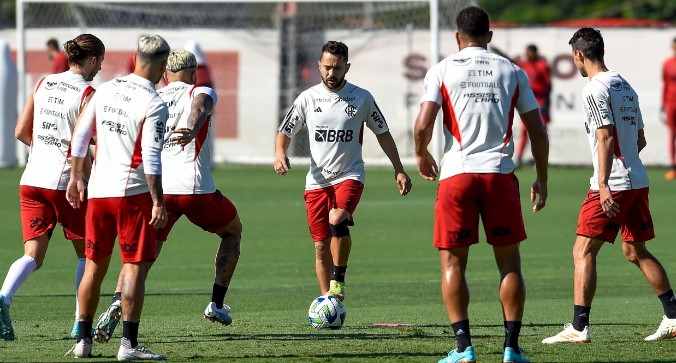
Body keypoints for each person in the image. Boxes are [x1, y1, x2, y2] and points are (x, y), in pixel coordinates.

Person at [413, 6, 549, 363]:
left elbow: (422, 125)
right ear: (490, 37)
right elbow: (536, 129)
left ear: (457, 38)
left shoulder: (442, 69)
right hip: (500, 175)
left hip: (457, 174)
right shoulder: (512, 70)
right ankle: (511, 349)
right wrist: (542, 177)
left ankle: (463, 349)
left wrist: (421, 153)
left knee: (453, 264)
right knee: (510, 265)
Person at [92, 49, 242, 343]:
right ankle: (216, 303)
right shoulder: (200, 89)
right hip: (194, 189)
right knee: (233, 232)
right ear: (194, 73)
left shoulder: (154, 97)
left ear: (164, 75)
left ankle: (115, 302)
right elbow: (200, 106)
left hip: (157, 191)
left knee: (141, 258)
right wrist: (191, 128)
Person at [542, 27, 676, 344]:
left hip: (614, 183)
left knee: (583, 250)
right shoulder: (625, 85)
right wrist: (626, 167)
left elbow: (605, 136)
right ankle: (673, 315)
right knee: (634, 249)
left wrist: (603, 183)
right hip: (637, 179)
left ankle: (579, 327)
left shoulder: (594, 89)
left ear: (578, 55)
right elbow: (640, 139)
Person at [274, 40, 411, 302]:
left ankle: (338, 279)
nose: (331, 73)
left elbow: (382, 133)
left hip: (350, 175)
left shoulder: (361, 98)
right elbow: (285, 132)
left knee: (337, 218)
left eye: (337, 68)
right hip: (317, 181)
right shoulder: (307, 98)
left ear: (347, 67)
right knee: (319, 246)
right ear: (319, 65)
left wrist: (399, 169)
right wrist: (280, 153)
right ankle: (329, 302)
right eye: (327, 67)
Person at [65, 34, 170, 361]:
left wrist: (75, 176)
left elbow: (81, 135)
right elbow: (151, 158)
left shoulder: (106, 88)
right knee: (135, 268)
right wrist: (158, 201)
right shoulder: (154, 102)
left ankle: (83, 341)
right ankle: (128, 345)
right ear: (163, 65)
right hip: (132, 195)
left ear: (135, 57)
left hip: (98, 194)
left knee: (94, 267)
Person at [0, 34, 104, 341]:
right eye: (100, 62)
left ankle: (3, 297)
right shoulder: (88, 94)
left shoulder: (43, 82)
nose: (99, 69)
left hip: (32, 181)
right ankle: (78, 321)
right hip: (64, 183)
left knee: (33, 255)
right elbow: (83, 146)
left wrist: (47, 149)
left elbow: (21, 131)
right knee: (87, 254)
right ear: (93, 60)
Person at [515, 44, 551, 167]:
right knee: (524, 130)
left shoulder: (542, 65)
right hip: (528, 100)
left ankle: (540, 159)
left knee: (540, 131)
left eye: (528, 52)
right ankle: (519, 157)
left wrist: (546, 104)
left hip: (541, 102)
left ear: (534, 53)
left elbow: (548, 85)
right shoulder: (524, 64)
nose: (527, 55)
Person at [663, 37, 676, 180]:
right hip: (671, 104)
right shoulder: (667, 64)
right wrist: (663, 104)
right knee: (672, 135)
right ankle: (673, 167)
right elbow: (666, 84)